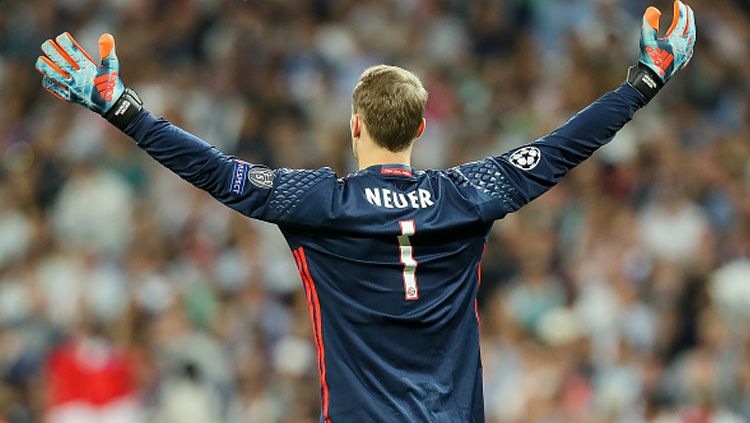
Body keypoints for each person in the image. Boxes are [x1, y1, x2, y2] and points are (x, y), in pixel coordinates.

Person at [34, 1, 696, 421]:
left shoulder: (321, 202)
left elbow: (212, 169)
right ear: (418, 129)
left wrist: (120, 106)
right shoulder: (466, 194)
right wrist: (643, 82)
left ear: (356, 127)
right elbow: (558, 150)